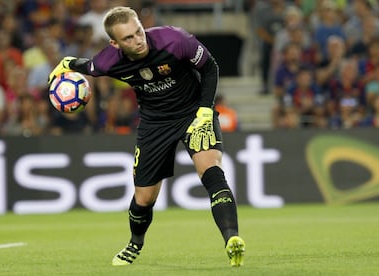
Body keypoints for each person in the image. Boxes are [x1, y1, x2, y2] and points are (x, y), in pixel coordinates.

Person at [48, 6, 245, 267]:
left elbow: (210, 68)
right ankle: (135, 243)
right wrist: (65, 64)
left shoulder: (175, 40)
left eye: (138, 32)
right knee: (143, 199)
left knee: (211, 171)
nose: (137, 40)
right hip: (154, 124)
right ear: (115, 43)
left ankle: (232, 240)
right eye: (128, 38)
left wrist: (206, 112)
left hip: (193, 114)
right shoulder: (109, 61)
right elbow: (89, 66)